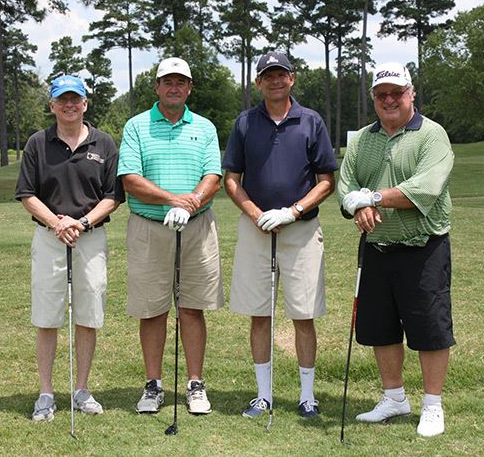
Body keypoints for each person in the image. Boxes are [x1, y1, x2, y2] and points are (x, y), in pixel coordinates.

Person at [337, 62, 455, 437]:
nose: (389, 99)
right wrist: (359, 205)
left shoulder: (432, 135)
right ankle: (394, 398)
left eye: (396, 92)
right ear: (373, 98)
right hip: (377, 248)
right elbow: (346, 184)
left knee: (429, 328)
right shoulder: (362, 140)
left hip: (423, 247)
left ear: (411, 93)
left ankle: (432, 406)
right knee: (380, 327)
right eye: (381, 94)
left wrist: (372, 197)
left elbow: (426, 188)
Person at [223, 51, 338, 419]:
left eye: (281, 74)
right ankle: (263, 395)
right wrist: (257, 215)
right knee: (260, 313)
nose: (275, 80)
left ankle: (307, 396)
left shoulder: (311, 121)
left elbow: (326, 181)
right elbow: (231, 180)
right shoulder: (244, 123)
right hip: (257, 230)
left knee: (303, 314)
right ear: (258, 82)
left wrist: (293, 211)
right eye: (268, 75)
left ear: (292, 78)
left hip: (301, 231)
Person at [117, 57, 224, 415]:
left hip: (197, 227)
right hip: (149, 227)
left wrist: (190, 203)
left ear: (189, 88)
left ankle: (195, 384)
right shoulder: (136, 126)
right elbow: (130, 179)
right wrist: (171, 199)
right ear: (157, 87)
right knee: (152, 309)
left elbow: (213, 176)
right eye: (167, 82)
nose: (174, 87)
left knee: (192, 307)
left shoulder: (205, 127)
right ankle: (153, 385)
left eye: (181, 82)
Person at [15, 74, 125, 422]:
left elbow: (112, 196)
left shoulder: (104, 143)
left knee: (88, 316)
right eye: (62, 99)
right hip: (50, 238)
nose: (69, 105)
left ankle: (81, 390)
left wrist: (82, 222)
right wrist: (57, 223)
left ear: (85, 104)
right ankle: (46, 393)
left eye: (75, 99)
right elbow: (27, 194)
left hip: (90, 238)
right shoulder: (37, 143)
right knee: (47, 317)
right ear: (52, 106)